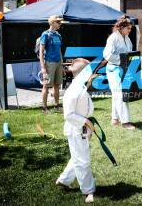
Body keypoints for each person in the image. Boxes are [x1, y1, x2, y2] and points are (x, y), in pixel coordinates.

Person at [56, 58, 98, 203]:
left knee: (78, 156)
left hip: (81, 130)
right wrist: (86, 122)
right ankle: (88, 191)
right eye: (89, 72)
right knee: (83, 161)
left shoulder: (81, 87)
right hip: (76, 130)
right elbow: (68, 115)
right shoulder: (74, 90)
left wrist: (88, 125)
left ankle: (63, 180)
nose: (92, 74)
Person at [94, 15, 136, 130]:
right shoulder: (113, 38)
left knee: (116, 95)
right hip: (114, 69)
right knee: (120, 94)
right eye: (128, 28)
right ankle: (125, 121)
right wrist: (122, 60)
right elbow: (107, 55)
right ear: (121, 27)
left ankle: (115, 118)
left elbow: (129, 51)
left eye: (130, 29)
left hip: (123, 68)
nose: (130, 30)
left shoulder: (126, 37)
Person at [39, 15, 64, 114]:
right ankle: (44, 108)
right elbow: (41, 52)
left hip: (58, 63)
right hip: (49, 63)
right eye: (58, 22)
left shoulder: (58, 35)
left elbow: (60, 51)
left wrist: (61, 65)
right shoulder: (45, 34)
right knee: (46, 86)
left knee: (57, 85)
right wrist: (43, 68)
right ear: (52, 23)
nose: (60, 24)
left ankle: (57, 106)